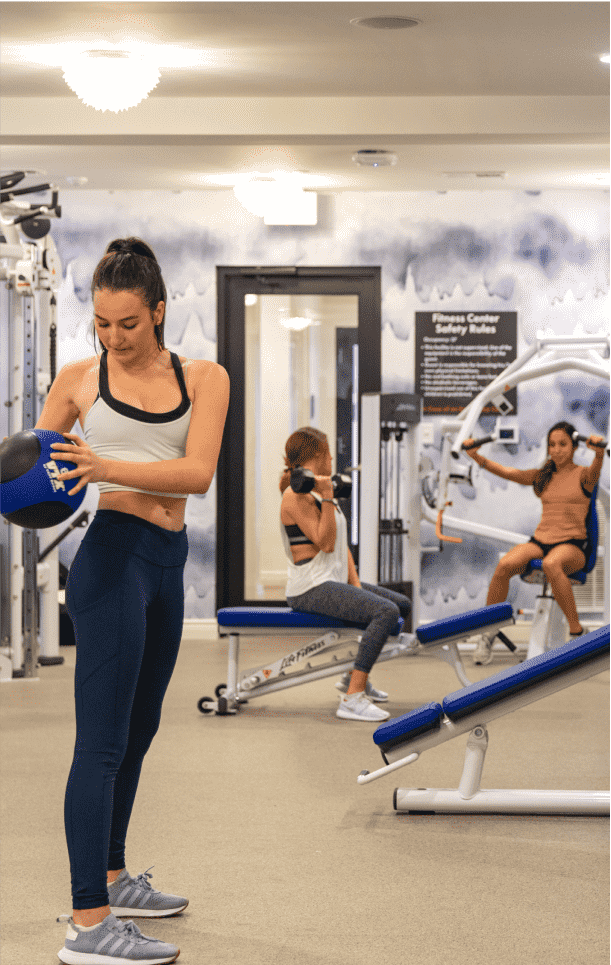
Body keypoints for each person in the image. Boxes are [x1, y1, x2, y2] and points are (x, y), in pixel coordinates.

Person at [37, 238, 229, 965]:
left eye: (128, 324)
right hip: (112, 559)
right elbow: (32, 465)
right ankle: (89, 924)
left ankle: (114, 877)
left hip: (166, 562)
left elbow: (197, 473)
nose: (113, 337)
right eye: (101, 324)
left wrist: (101, 464)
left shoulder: (206, 377)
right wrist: (44, 482)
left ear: (158, 311)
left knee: (140, 730)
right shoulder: (77, 380)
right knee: (102, 743)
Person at [279, 427, 412, 722]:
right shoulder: (294, 496)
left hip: (332, 579)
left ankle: (351, 673)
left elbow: (341, 549)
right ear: (317, 457)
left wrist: (355, 585)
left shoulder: (318, 492)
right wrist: (327, 496)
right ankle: (352, 697)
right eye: (327, 454)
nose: (331, 459)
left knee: (400, 604)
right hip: (309, 587)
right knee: (385, 611)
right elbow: (325, 542)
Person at [464, 421, 604, 665]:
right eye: (552, 445)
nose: (557, 450)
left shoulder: (584, 475)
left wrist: (599, 452)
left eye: (563, 444)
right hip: (541, 540)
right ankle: (488, 633)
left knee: (551, 564)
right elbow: (509, 473)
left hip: (573, 546)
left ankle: (576, 631)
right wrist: (477, 457)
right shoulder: (544, 476)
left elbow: (596, 468)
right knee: (506, 564)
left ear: (573, 447)